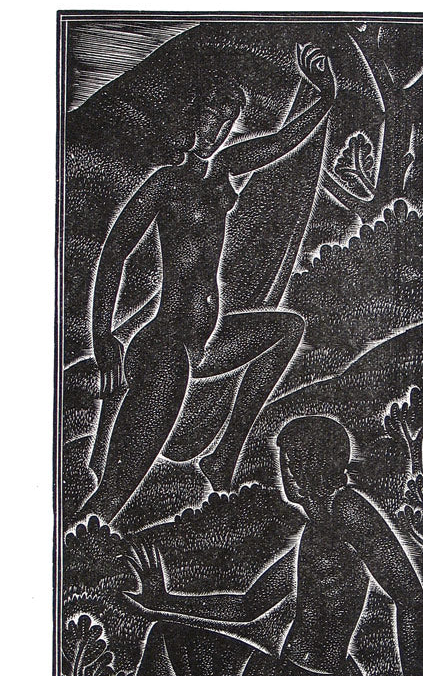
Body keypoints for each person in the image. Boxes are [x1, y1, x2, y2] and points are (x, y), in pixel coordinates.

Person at [91, 416, 423, 676]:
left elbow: (411, 598)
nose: (282, 472)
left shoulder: (349, 511)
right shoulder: (318, 527)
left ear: (302, 471)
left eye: (287, 463)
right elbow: (249, 605)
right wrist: (163, 602)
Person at [80, 44, 337, 523]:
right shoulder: (166, 183)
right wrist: (102, 334)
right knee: (113, 497)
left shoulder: (224, 169)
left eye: (227, 124)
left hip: (208, 341)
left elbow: (284, 140)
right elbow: (114, 252)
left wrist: (326, 96)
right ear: (193, 118)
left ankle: (224, 455)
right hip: (166, 348)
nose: (216, 133)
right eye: (211, 119)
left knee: (287, 329)